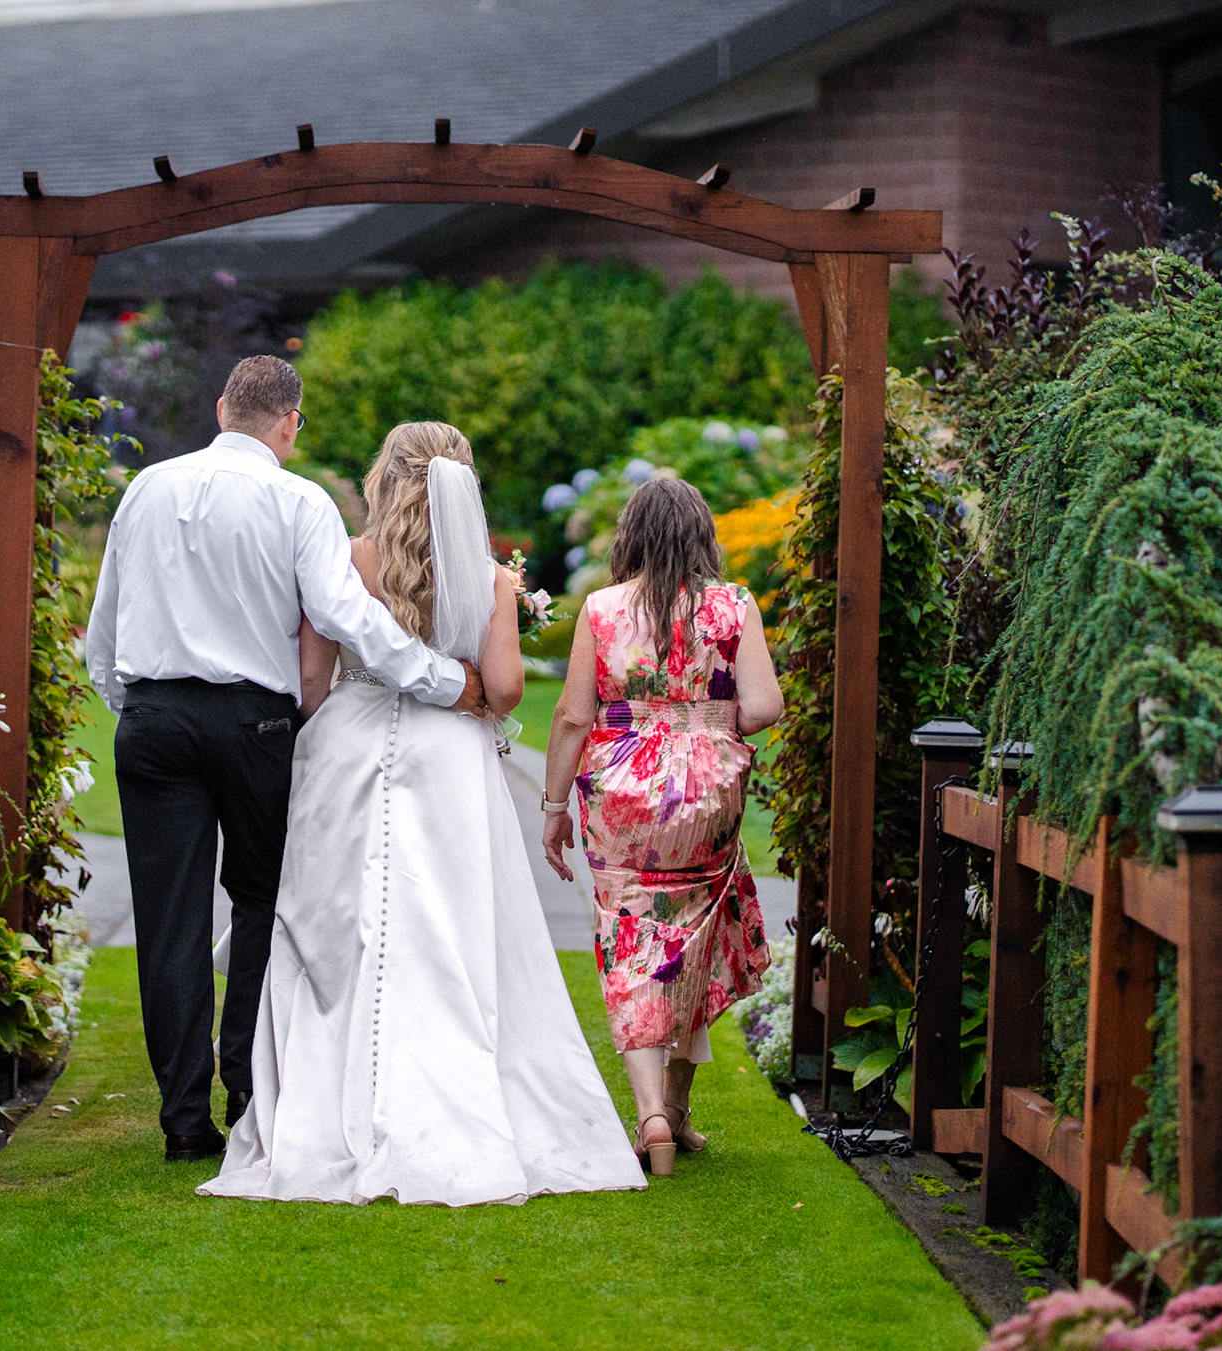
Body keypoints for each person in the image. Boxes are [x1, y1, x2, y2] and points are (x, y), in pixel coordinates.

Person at [199, 422, 643, 1206]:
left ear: (385, 476)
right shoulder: (489, 577)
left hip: (346, 747)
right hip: (450, 762)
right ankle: (452, 1094)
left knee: (336, 932)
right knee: (449, 932)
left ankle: (323, 1104)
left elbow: (312, 678)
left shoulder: (348, 559)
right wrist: (469, 665)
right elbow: (505, 687)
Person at [84, 358, 488, 1162]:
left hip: (155, 721)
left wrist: (136, 705)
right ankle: (247, 1087)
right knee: (262, 900)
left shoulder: (147, 488)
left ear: (221, 407)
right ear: (289, 425)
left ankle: (183, 1119)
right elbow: (344, 616)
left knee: (168, 920)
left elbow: (106, 625)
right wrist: (443, 680)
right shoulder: (300, 501)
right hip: (253, 723)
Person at [540, 476, 782, 1176]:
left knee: (632, 940)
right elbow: (764, 706)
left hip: (623, 799)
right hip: (708, 798)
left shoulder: (602, 608)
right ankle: (675, 1107)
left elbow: (574, 715)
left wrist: (553, 807)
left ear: (632, 537)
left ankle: (654, 1117)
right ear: (703, 534)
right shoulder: (734, 606)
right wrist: (705, 725)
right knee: (695, 937)